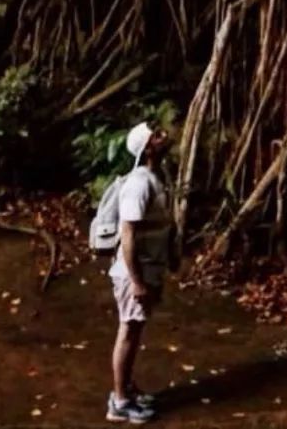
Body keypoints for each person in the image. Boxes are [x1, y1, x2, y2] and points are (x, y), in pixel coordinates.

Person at [106, 121, 173, 423]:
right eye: (156, 135)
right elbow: (128, 233)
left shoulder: (153, 178)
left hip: (146, 268)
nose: (164, 136)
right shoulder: (138, 184)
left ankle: (127, 389)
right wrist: (136, 282)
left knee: (134, 330)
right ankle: (119, 402)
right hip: (134, 272)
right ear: (147, 147)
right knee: (129, 332)